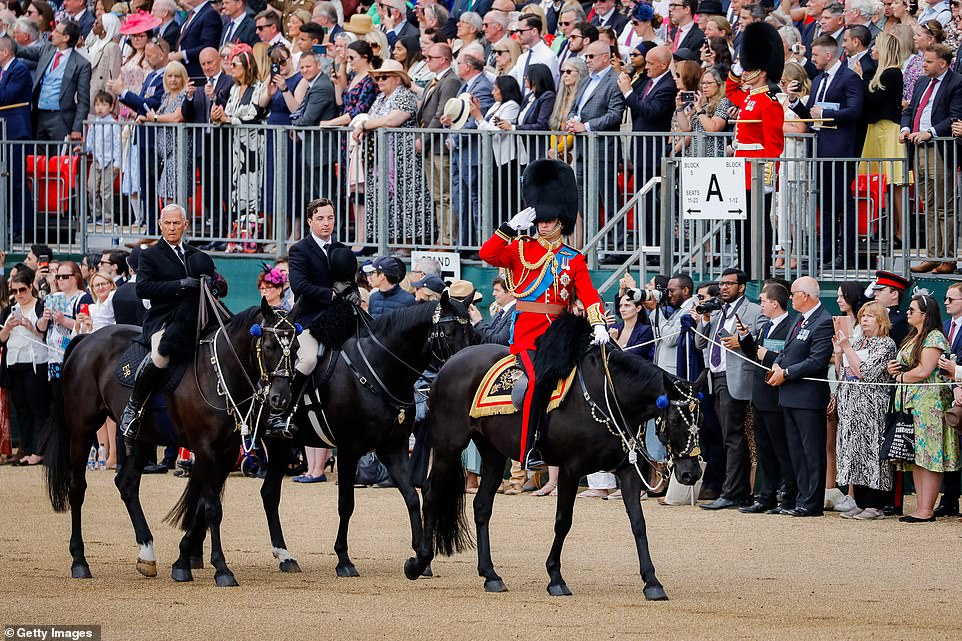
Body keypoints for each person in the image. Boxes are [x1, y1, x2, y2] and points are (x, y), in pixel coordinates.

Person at [479, 159, 610, 470]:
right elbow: (487, 254)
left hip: (560, 335)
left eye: (549, 220)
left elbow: (588, 294)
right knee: (537, 379)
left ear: (561, 222)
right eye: (540, 219)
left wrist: (599, 322)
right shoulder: (520, 249)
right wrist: (509, 228)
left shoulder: (573, 259)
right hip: (526, 334)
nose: (542, 224)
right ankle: (529, 448)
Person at [118, 204, 223, 440]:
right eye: (168, 223)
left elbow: (216, 282)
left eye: (177, 223)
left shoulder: (198, 255)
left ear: (185, 225)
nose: (172, 228)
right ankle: (133, 408)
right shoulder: (149, 255)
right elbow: (143, 288)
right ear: (160, 225)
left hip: (197, 317)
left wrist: (213, 285)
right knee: (160, 356)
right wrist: (179, 286)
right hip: (163, 319)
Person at [271, 198, 357, 436]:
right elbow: (299, 287)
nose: (326, 223)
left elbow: (350, 281)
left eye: (330, 218)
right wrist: (330, 294)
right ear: (310, 221)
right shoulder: (299, 250)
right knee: (308, 359)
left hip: (340, 315)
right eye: (320, 218)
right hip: (310, 318)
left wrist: (354, 295)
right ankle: (283, 412)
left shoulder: (341, 248)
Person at [787, 35, 865, 270]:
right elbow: (811, 116)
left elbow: (855, 111)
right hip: (819, 151)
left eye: (816, 55)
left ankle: (846, 253)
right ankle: (829, 253)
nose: (813, 59)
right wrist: (794, 102)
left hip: (841, 151)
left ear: (829, 55)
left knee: (843, 204)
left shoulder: (850, 78)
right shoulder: (819, 79)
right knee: (827, 205)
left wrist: (827, 115)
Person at [886, 294, 960, 522]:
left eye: (912, 310)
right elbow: (909, 368)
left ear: (925, 315)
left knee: (929, 456)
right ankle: (921, 507)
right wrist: (893, 369)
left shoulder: (934, 338)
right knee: (917, 456)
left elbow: (924, 371)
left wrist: (900, 377)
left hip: (929, 405)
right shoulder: (913, 336)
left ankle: (927, 509)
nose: (908, 313)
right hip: (911, 403)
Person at [768, 276, 835, 517]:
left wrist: (786, 372)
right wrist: (777, 365)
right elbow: (786, 351)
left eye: (793, 293)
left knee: (811, 450)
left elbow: (817, 360)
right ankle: (801, 498)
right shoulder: (799, 319)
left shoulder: (823, 321)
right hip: (789, 395)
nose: (790, 298)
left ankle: (812, 501)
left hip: (808, 397)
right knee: (795, 450)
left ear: (805, 296)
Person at [695, 268, 760, 510]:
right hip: (716, 377)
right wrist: (705, 319)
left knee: (733, 436)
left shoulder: (752, 310)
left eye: (729, 284)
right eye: (721, 284)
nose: (723, 288)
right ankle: (737, 490)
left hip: (737, 377)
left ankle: (732, 491)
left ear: (741, 287)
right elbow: (700, 342)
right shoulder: (718, 312)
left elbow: (758, 340)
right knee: (728, 436)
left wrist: (742, 341)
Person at [726, 22, 786, 278]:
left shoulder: (769, 102)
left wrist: (769, 177)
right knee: (741, 226)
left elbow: (774, 144)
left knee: (757, 225)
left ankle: (759, 269)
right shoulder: (750, 96)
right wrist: (737, 67)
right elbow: (730, 89)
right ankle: (745, 268)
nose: (745, 72)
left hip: (757, 170)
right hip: (741, 168)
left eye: (749, 67)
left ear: (760, 71)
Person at [355, 59, 433, 247]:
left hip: (403, 159)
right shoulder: (380, 98)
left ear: (398, 79)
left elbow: (393, 120)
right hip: (383, 158)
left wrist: (364, 125)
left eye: (384, 77)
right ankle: (391, 242)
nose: (380, 81)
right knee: (388, 200)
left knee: (406, 198)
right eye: (378, 77)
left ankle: (406, 244)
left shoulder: (404, 96)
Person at [900, 43, 962, 274]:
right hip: (918, 148)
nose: (923, 65)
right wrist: (905, 130)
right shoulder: (921, 81)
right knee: (929, 205)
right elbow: (909, 111)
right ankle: (933, 255)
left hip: (939, 148)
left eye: (928, 61)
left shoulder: (956, 82)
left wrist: (931, 132)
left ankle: (948, 257)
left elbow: (955, 117)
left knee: (944, 204)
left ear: (943, 63)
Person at [833, 301, 897, 521]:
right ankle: (860, 502)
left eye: (870, 315)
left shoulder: (885, 344)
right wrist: (839, 353)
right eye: (863, 315)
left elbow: (866, 374)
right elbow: (843, 374)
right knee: (854, 453)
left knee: (872, 453)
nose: (865, 319)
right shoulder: (859, 342)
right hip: (851, 408)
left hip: (872, 409)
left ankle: (875, 504)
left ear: (881, 320)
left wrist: (848, 349)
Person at [738, 282, 796, 514]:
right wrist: (745, 339)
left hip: (777, 396)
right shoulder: (766, 327)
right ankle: (767, 497)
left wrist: (768, 354)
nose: (760, 304)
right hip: (760, 395)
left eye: (763, 300)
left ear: (774, 303)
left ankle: (788, 496)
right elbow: (756, 355)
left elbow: (786, 358)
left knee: (781, 449)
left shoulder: (790, 325)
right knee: (764, 449)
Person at [211, 45, 268, 221]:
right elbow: (228, 112)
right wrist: (217, 117)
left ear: (247, 67)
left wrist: (228, 119)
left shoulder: (258, 87)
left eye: (236, 65)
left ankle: (253, 231)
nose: (231, 67)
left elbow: (253, 114)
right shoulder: (235, 89)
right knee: (238, 187)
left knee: (252, 185)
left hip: (253, 145)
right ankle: (239, 232)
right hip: (237, 146)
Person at [0, 272, 49, 466]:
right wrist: (7, 328)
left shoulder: (40, 305)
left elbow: (44, 332)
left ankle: (39, 451)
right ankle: (26, 449)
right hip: (14, 362)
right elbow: (1, 338)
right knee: (22, 409)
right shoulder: (10, 309)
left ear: (30, 287)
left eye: (22, 290)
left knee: (38, 408)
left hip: (36, 362)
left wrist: (30, 327)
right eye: (14, 290)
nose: (18, 294)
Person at [416, 43, 461, 246]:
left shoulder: (450, 81)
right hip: (430, 148)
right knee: (437, 195)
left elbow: (440, 114)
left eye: (431, 58)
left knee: (444, 195)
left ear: (443, 59)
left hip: (439, 147)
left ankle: (448, 239)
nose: (427, 61)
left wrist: (423, 138)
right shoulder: (433, 81)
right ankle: (441, 237)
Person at [20, 19, 91, 141]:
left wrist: (77, 128)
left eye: (57, 31)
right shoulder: (47, 50)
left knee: (58, 158)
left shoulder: (81, 64)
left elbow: (83, 100)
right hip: (40, 114)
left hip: (61, 118)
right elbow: (22, 51)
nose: (52, 34)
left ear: (66, 37)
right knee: (39, 157)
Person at [470, 74, 524, 226]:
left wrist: (479, 117)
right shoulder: (496, 105)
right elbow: (485, 126)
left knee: (506, 196)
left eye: (495, 89)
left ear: (504, 90)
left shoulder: (512, 105)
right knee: (493, 195)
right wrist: (479, 115)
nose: (492, 93)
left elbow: (496, 131)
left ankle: (509, 232)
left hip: (505, 158)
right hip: (491, 156)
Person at [140, 60, 190, 206]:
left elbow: (176, 117)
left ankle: (177, 226)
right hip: (164, 154)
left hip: (177, 152)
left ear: (183, 77)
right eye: (169, 76)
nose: (173, 79)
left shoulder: (184, 95)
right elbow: (160, 117)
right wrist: (145, 119)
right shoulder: (165, 96)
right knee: (165, 192)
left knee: (173, 194)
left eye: (177, 76)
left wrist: (154, 118)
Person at [82, 13, 122, 118]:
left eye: (98, 22)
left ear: (105, 27)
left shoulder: (113, 47)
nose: (93, 24)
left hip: (101, 102)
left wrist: (108, 103)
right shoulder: (94, 44)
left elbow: (113, 76)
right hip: (89, 95)